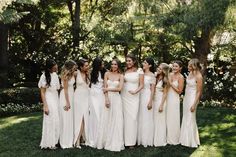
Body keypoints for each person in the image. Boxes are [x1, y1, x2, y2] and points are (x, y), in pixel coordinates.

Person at [122, 54, 144, 148]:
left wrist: (135, 91)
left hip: (134, 97)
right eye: (127, 61)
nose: (128, 62)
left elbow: (142, 85)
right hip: (124, 96)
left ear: (134, 61)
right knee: (124, 118)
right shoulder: (124, 71)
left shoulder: (139, 71)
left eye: (129, 61)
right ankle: (124, 140)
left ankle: (131, 142)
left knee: (133, 118)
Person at [179, 58, 203, 148]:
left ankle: (191, 140)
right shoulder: (190, 73)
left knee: (190, 117)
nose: (188, 67)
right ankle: (184, 139)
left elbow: (199, 92)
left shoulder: (199, 76)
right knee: (186, 117)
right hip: (187, 97)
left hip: (193, 98)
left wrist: (194, 104)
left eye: (190, 65)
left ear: (194, 66)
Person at [103, 59, 125, 151]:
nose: (113, 66)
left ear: (118, 65)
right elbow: (104, 87)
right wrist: (106, 99)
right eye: (112, 64)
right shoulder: (106, 74)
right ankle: (105, 141)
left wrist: (108, 90)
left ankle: (116, 142)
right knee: (107, 119)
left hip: (116, 99)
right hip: (108, 98)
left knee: (116, 119)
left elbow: (120, 89)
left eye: (115, 64)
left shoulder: (121, 76)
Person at [38, 59, 60, 149]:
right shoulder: (44, 76)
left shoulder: (55, 75)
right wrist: (45, 106)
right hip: (49, 99)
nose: (56, 67)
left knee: (56, 120)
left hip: (55, 98)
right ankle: (49, 143)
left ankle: (55, 141)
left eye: (56, 66)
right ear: (49, 68)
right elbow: (42, 92)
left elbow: (58, 88)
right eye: (54, 67)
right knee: (50, 120)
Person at [88, 57, 106, 148]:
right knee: (95, 116)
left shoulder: (104, 72)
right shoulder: (91, 73)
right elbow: (90, 84)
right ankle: (93, 137)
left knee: (101, 115)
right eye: (101, 64)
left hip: (101, 95)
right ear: (97, 65)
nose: (103, 65)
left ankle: (101, 137)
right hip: (94, 95)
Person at [138, 57, 155, 147]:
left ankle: (146, 139)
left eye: (145, 63)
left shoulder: (152, 75)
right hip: (140, 95)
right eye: (143, 62)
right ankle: (139, 138)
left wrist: (150, 101)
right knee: (140, 116)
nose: (143, 64)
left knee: (146, 117)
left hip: (147, 96)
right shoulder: (141, 73)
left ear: (150, 65)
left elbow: (152, 90)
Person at [59, 60, 77, 149]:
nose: (75, 67)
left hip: (72, 95)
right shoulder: (65, 76)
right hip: (66, 97)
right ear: (70, 67)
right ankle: (65, 141)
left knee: (71, 118)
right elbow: (65, 90)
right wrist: (67, 102)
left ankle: (71, 139)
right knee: (66, 118)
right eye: (74, 66)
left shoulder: (73, 74)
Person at [166, 60, 184, 145]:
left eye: (176, 66)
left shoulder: (181, 77)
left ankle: (173, 138)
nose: (174, 68)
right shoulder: (169, 75)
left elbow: (179, 91)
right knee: (166, 116)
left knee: (173, 118)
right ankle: (165, 136)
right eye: (173, 66)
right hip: (167, 98)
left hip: (174, 99)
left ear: (180, 68)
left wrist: (171, 84)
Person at [73, 59, 90, 148]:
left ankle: (83, 138)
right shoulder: (76, 73)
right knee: (79, 118)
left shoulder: (88, 74)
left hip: (86, 98)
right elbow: (68, 82)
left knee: (85, 118)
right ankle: (77, 140)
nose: (88, 67)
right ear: (81, 67)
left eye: (88, 65)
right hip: (78, 97)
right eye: (86, 66)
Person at [153, 63, 170, 147]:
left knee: (160, 120)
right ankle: (154, 138)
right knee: (155, 120)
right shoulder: (156, 77)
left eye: (160, 69)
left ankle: (160, 140)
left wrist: (161, 105)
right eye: (158, 68)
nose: (158, 69)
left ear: (164, 71)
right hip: (155, 100)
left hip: (160, 101)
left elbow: (165, 94)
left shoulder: (165, 80)